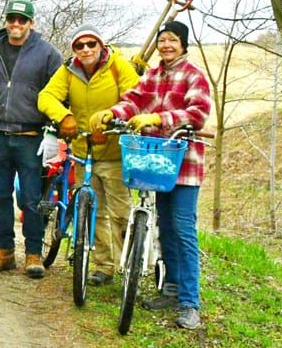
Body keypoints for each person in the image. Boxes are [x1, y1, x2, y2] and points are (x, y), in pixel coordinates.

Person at [90, 20, 212, 329]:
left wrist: (160, 117)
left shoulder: (194, 76)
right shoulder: (154, 75)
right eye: (163, 40)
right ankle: (170, 291)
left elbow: (197, 113)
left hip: (184, 164)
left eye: (173, 40)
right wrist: (113, 113)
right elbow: (133, 100)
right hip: (157, 162)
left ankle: (190, 303)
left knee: (183, 229)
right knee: (165, 228)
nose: (167, 45)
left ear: (184, 44)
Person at [0, 0, 62, 279]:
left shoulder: (47, 54)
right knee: (1, 196)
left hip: (32, 137)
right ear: (6, 21)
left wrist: (52, 132)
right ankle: (4, 251)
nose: (16, 24)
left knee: (31, 199)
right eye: (12, 19)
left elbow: (58, 95)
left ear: (31, 23)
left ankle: (33, 253)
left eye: (22, 20)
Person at [38, 24, 140, 285]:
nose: (85, 50)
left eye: (91, 44)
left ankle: (128, 268)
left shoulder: (118, 66)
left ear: (101, 45)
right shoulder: (68, 71)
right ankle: (103, 267)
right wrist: (64, 116)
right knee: (94, 210)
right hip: (85, 153)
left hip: (116, 152)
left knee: (120, 213)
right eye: (79, 45)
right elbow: (46, 96)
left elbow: (136, 98)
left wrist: (110, 119)